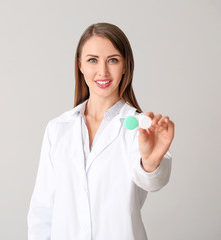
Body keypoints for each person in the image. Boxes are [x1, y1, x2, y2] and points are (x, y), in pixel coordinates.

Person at [27, 22, 175, 240]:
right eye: (92, 60)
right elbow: (42, 210)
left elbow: (152, 182)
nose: (103, 71)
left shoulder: (142, 127)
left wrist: (151, 163)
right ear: (80, 65)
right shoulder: (58, 128)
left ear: (125, 65)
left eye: (113, 60)